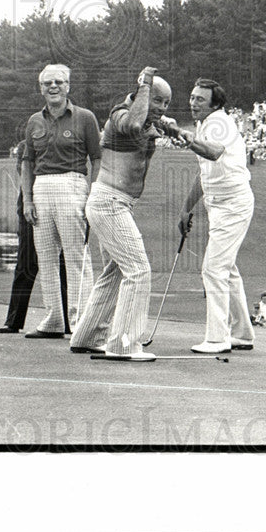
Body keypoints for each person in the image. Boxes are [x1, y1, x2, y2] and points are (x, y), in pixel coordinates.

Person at [69, 68, 181, 361]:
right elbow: (133, 124)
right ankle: (123, 344)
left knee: (116, 270)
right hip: (109, 202)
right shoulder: (121, 115)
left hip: (116, 203)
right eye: (156, 99)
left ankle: (86, 335)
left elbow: (144, 129)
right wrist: (145, 85)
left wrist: (168, 127)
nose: (161, 107)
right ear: (141, 92)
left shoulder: (147, 119)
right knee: (139, 270)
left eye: (166, 103)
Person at [177, 78, 256, 354]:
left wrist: (186, 138)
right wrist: (187, 208)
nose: (193, 102)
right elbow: (205, 174)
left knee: (213, 269)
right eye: (192, 97)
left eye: (200, 99)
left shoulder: (220, 122)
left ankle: (217, 339)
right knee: (227, 271)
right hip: (218, 204)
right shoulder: (204, 124)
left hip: (233, 203)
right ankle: (242, 334)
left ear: (215, 104)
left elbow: (213, 153)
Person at [21, 64, 102, 338]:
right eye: (47, 83)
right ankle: (54, 319)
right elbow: (27, 162)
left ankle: (82, 323)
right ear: (40, 88)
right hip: (41, 187)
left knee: (76, 257)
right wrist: (27, 201)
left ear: (68, 86)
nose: (52, 87)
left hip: (72, 184)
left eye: (58, 81)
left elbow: (98, 158)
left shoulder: (85, 118)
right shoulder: (34, 120)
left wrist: (93, 192)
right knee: (46, 258)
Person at [0, 139, 71, 334]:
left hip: (58, 202)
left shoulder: (62, 143)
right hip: (32, 203)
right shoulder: (25, 145)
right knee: (26, 263)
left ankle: (67, 321)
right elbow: (24, 175)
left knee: (62, 264)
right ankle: (14, 320)